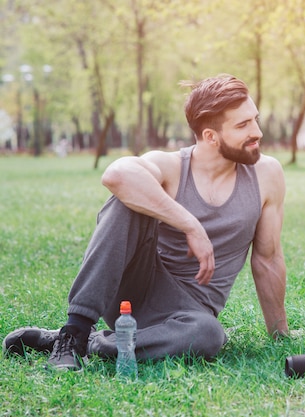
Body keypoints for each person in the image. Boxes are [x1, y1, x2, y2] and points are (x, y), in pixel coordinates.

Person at [3, 74, 289, 371]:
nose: (257, 131)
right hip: (135, 290)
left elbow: (267, 259)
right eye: (243, 125)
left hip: (190, 316)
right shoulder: (171, 166)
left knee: (208, 335)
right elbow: (116, 175)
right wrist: (191, 225)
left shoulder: (266, 174)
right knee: (127, 200)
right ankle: (75, 331)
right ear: (210, 136)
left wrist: (280, 334)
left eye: (255, 119)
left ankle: (97, 342)